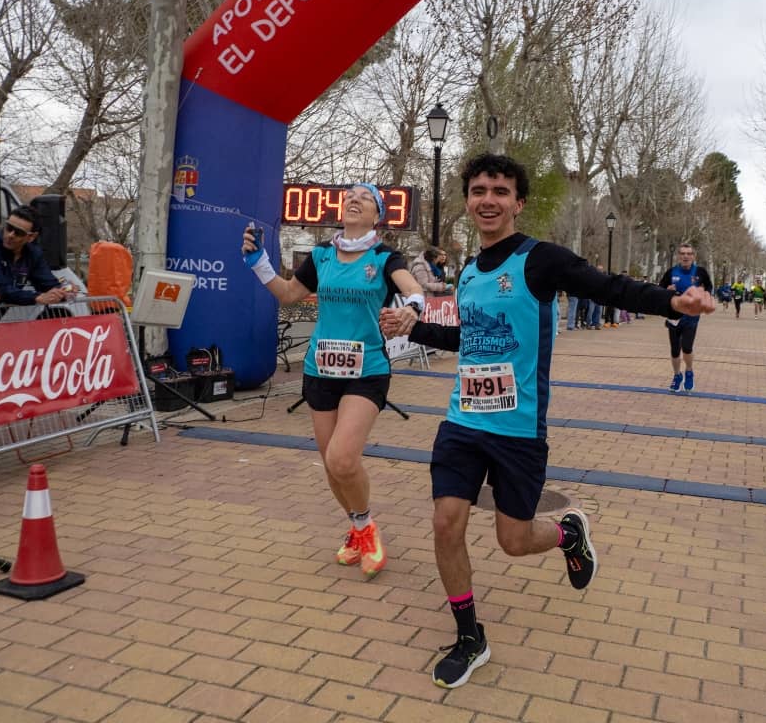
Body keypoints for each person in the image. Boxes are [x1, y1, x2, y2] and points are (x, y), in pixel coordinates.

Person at [379, 154, 714, 689]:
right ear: (468, 200)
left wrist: (673, 300)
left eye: (501, 191)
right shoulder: (469, 272)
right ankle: (470, 637)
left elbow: (608, 287)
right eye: (479, 190)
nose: (489, 199)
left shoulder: (540, 260)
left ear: (519, 203)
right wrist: (414, 328)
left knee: (513, 541)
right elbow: (471, 339)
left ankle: (567, 534)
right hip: (463, 421)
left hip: (518, 430)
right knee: (446, 522)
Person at [242, 183, 423, 578]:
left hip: (366, 370)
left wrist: (412, 307)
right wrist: (258, 262)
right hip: (320, 370)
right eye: (350, 196)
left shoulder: (384, 257)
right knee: (332, 465)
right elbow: (289, 294)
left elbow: (413, 289)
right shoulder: (322, 254)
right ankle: (358, 528)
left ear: (377, 216)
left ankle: (368, 529)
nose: (354, 199)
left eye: (366, 197)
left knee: (343, 458)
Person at [0, 205, 75, 307]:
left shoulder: (34, 253)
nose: (10, 235)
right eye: (9, 228)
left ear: (31, 237)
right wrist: (36, 297)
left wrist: (65, 290)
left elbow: (48, 284)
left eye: (19, 232)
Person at [659, 244, 713, 392]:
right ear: (679, 256)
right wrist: (667, 290)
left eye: (689, 254)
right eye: (682, 253)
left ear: (693, 256)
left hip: (691, 316)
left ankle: (689, 371)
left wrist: (704, 294)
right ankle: (677, 375)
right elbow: (660, 289)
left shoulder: (700, 272)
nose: (685, 256)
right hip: (674, 316)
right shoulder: (671, 272)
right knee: (675, 350)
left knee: (687, 348)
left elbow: (709, 287)